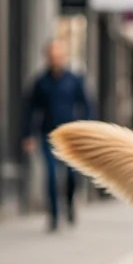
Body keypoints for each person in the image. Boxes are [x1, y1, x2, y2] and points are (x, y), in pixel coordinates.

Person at [22, 40, 92, 231]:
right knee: (52, 176)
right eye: (52, 57)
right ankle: (53, 215)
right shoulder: (40, 82)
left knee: (71, 175)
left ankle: (69, 204)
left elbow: (86, 105)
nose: (56, 60)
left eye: (59, 56)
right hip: (48, 135)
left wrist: (87, 130)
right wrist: (27, 135)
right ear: (47, 58)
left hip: (70, 136)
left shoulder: (74, 80)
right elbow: (30, 109)